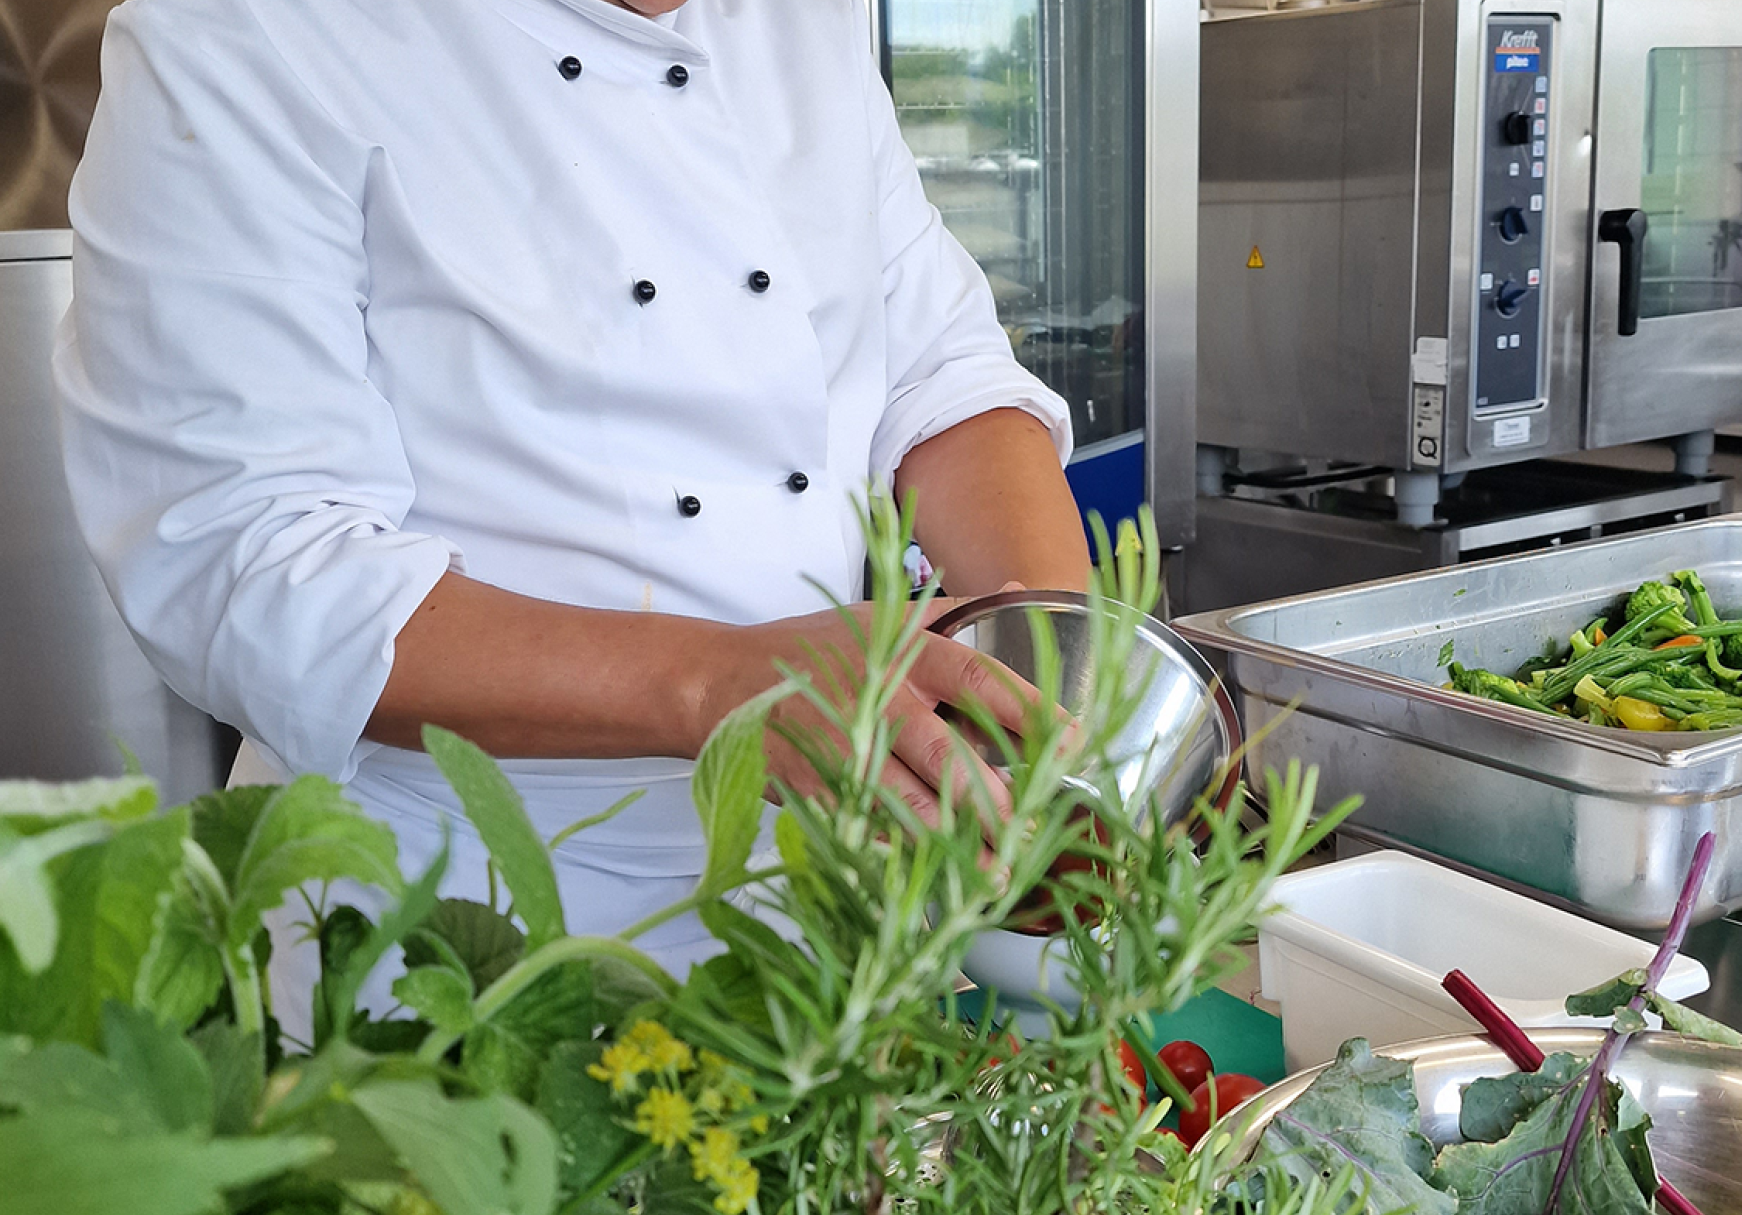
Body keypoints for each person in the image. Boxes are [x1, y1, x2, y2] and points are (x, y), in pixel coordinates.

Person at [55, 0, 1090, 1041]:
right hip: (447, 939)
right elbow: (248, 557)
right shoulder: (249, 30)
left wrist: (1071, 706)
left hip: (825, 918)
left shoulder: (801, 22)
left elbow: (943, 379)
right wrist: (720, 684)